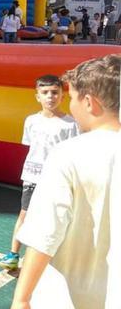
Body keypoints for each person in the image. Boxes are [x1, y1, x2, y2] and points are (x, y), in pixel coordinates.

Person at [12, 54, 121, 309]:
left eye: (71, 98)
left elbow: (45, 234)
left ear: (89, 102)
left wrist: (22, 297)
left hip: (68, 296)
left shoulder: (68, 154)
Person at [0, 75, 78, 272]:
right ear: (37, 97)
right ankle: (13, 254)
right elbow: (31, 147)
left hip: (58, 179)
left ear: (62, 95)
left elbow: (73, 153)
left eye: (55, 92)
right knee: (25, 214)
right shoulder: (31, 121)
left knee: (57, 218)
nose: (50, 96)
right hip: (33, 177)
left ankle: (54, 258)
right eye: (45, 93)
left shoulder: (71, 124)